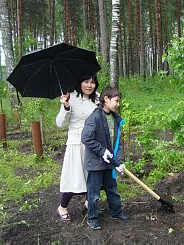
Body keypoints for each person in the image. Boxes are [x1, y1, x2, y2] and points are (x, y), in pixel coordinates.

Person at [81, 86, 130, 230]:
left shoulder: (115, 119)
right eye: (116, 101)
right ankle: (92, 218)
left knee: (112, 190)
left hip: (110, 163)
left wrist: (119, 162)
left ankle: (116, 212)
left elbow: (117, 143)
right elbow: (86, 138)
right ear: (106, 99)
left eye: (118, 101)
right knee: (94, 194)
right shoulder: (95, 117)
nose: (118, 104)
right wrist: (102, 151)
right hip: (96, 163)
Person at [55, 74, 100, 222]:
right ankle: (62, 207)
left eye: (92, 82)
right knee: (74, 176)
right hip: (76, 143)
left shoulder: (98, 99)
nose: (89, 85)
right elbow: (60, 123)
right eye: (86, 81)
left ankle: (89, 203)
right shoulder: (71, 97)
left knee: (93, 175)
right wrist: (65, 106)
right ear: (79, 83)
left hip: (93, 143)